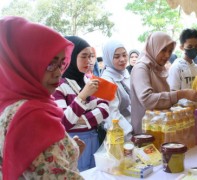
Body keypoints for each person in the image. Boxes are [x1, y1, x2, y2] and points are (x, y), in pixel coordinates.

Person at [0, 16, 84, 179]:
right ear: (25, 62)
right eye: (50, 63)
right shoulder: (32, 116)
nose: (59, 72)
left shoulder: (12, 104)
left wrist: (68, 151)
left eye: (61, 63)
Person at [53, 36, 110, 171]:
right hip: (74, 142)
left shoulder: (88, 79)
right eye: (84, 56)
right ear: (70, 58)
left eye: (91, 56)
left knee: (95, 174)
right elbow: (64, 122)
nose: (89, 61)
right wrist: (84, 96)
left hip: (94, 139)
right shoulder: (58, 85)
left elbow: (105, 108)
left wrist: (81, 119)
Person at [130, 31, 197, 134]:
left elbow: (164, 101)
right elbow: (147, 99)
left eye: (170, 51)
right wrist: (182, 94)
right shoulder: (141, 68)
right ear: (154, 47)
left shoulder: (158, 68)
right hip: (145, 132)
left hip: (159, 128)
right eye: (163, 50)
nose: (167, 55)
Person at [101, 39, 133, 140]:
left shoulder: (125, 74)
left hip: (133, 127)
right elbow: (112, 114)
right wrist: (129, 135)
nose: (122, 59)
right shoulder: (105, 81)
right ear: (108, 58)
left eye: (124, 55)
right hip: (119, 134)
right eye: (116, 56)